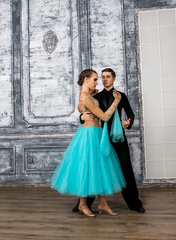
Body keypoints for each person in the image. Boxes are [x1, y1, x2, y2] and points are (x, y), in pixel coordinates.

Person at [50, 69, 126, 217]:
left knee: (97, 168)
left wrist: (85, 106)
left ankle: (102, 204)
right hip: (89, 134)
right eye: (95, 79)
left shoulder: (86, 96)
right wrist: (116, 101)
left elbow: (81, 107)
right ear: (86, 79)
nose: (98, 82)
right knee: (88, 168)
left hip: (95, 133)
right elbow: (104, 116)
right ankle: (83, 204)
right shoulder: (85, 97)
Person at [72, 68, 145, 213]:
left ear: (114, 78)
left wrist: (128, 122)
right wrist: (81, 118)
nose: (104, 79)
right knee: (94, 169)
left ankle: (135, 204)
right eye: (102, 77)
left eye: (108, 77)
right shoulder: (95, 96)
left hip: (117, 137)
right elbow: (84, 110)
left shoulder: (121, 96)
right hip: (99, 136)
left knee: (126, 170)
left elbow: (130, 113)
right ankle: (83, 203)